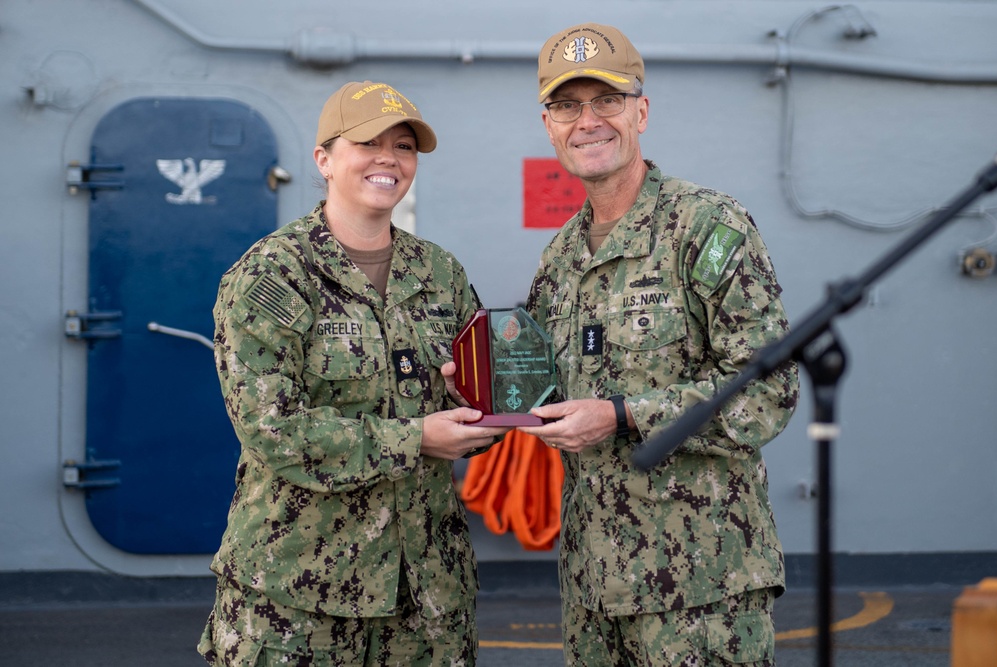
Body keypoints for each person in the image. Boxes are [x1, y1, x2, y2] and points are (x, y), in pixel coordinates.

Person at [517, 23, 800, 666]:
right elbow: (539, 390)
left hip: (701, 590)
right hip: (593, 591)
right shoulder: (558, 260)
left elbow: (769, 390)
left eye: (606, 101)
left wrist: (620, 414)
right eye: (567, 106)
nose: (587, 121)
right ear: (549, 125)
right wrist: (479, 389)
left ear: (641, 111)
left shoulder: (706, 226)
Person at [198, 80, 508, 667]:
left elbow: (483, 401)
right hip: (299, 598)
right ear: (324, 159)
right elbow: (272, 430)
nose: (389, 158)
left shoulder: (440, 274)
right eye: (368, 142)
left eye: (405, 146)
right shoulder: (273, 276)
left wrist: (487, 411)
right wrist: (418, 437)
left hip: (427, 598)